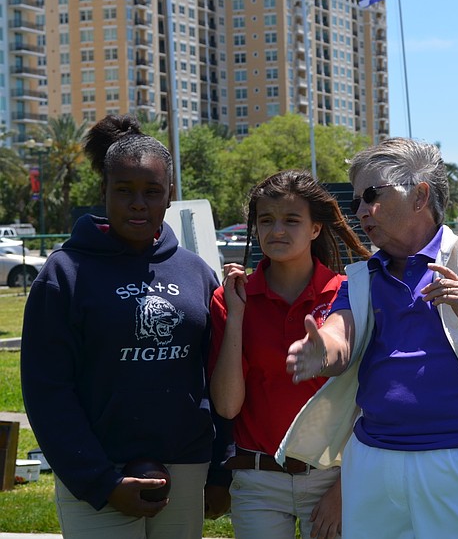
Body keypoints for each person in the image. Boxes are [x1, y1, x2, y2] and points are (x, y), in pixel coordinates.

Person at [279, 138, 458, 538]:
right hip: (375, 466)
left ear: (420, 195)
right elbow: (339, 335)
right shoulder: (361, 279)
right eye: (355, 200)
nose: (359, 212)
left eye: (371, 195)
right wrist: (323, 351)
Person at [20, 114, 227, 538]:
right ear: (104, 192)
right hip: (99, 472)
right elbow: (46, 389)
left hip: (186, 467)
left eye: (152, 192)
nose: (139, 203)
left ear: (169, 196)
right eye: (125, 191)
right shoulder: (65, 274)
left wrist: (219, 469)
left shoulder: (195, 272)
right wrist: (100, 481)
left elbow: (218, 376)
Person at [209, 170, 371, 539]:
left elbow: (368, 402)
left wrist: (344, 488)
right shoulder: (231, 298)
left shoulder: (349, 294)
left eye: (291, 220)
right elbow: (228, 407)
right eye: (266, 220)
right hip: (256, 480)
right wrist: (236, 317)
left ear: (315, 228)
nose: (276, 230)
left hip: (335, 479)